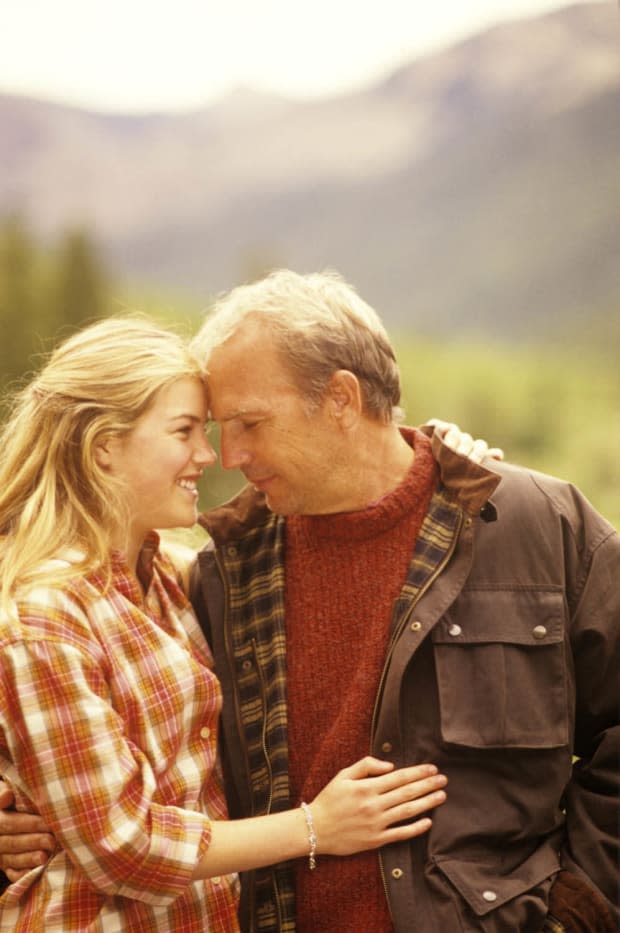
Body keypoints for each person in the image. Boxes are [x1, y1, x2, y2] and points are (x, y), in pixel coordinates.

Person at [1, 272, 618, 931]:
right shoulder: (223, 573)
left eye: (248, 424)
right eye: (206, 428)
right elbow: (57, 712)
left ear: (342, 400)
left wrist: (580, 911)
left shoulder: (536, 525)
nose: (225, 456)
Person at [0, 315, 449, 931]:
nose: (211, 456)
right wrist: (317, 827)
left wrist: (446, 459)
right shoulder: (44, 616)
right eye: (185, 431)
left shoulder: (167, 581)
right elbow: (124, 847)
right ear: (102, 445)